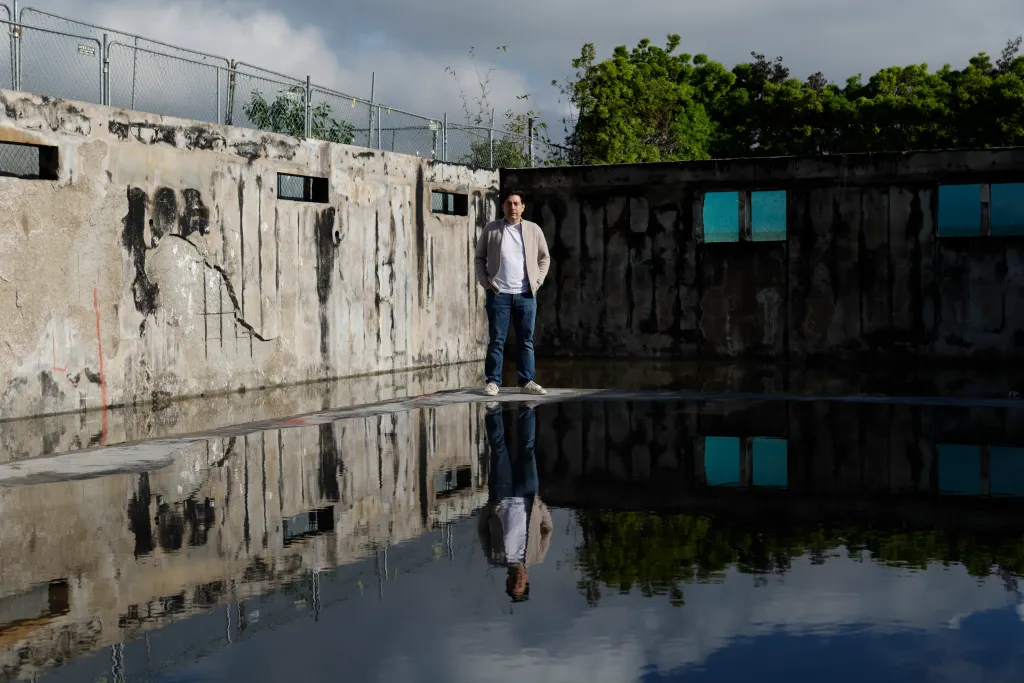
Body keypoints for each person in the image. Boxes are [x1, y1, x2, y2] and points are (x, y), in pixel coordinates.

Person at [474, 189, 550, 397]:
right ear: (503, 207)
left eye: (516, 203)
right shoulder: (492, 229)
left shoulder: (533, 230)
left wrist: (538, 280)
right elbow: (479, 258)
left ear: (523, 207)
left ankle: (527, 381)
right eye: (509, 203)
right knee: (497, 339)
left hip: (526, 295)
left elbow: (544, 257)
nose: (512, 207)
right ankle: (492, 382)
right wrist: (485, 281)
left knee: (526, 339)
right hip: (499, 294)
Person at [477, 405, 552, 602]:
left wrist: (489, 508)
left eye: (513, 585)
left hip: (502, 495)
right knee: (527, 449)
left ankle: (493, 411)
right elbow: (547, 529)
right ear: (526, 581)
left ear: (508, 583)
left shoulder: (494, 558)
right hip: (528, 493)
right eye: (521, 585)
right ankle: (527, 411)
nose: (517, 582)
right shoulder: (537, 557)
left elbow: (482, 531)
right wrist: (540, 506)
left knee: (500, 450)